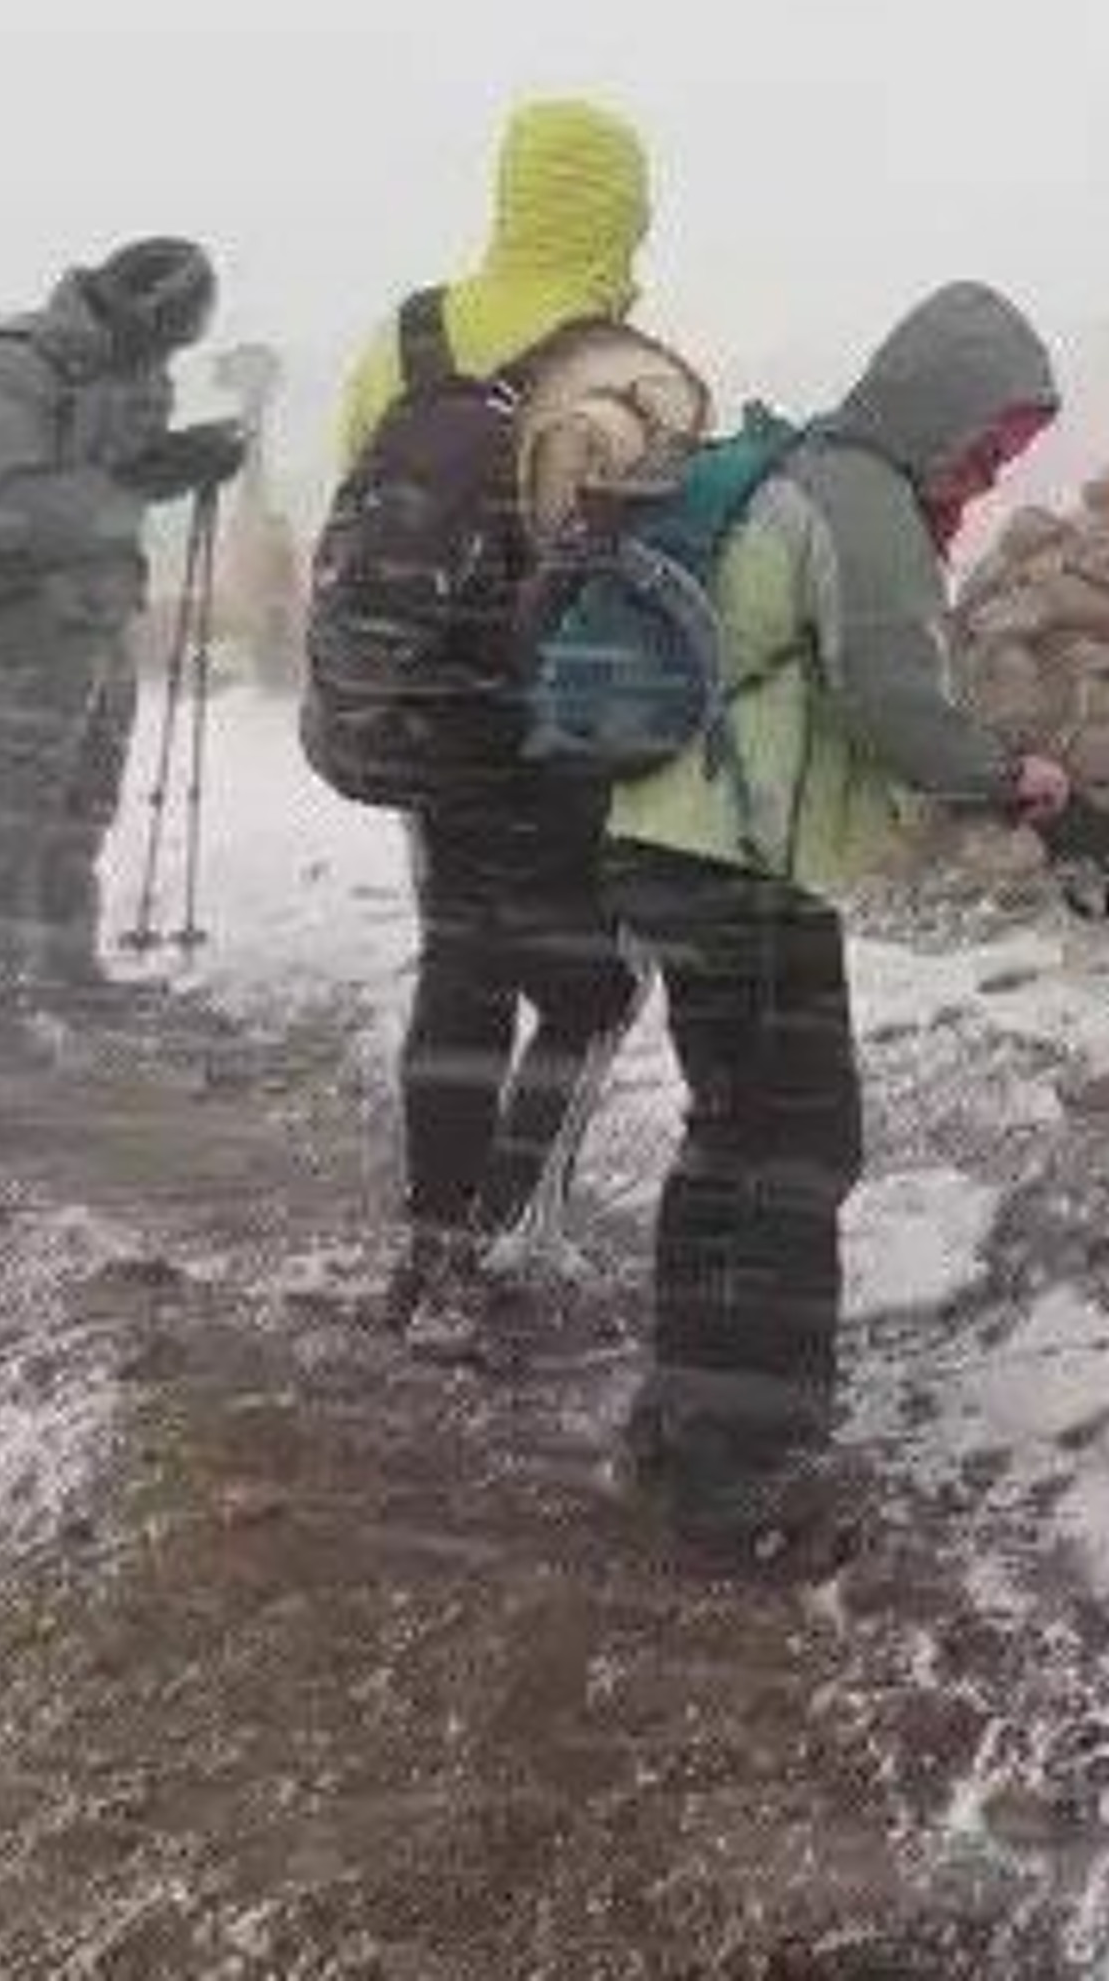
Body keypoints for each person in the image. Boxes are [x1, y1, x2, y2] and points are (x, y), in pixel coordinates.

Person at [603, 281, 1070, 1561]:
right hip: (735, 863)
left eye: (1015, 454)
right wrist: (1001, 772)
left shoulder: (810, 469)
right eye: (991, 439)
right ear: (938, 403)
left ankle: (689, 1414)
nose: (993, 466)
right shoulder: (858, 495)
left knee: (736, 1136)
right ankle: (742, 1472)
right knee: (798, 1152)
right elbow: (890, 695)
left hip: (676, 844)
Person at [338, 99, 704, 1337]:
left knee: (460, 970)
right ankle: (501, 1235)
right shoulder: (617, 362)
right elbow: (659, 565)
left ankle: (434, 1238)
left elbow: (359, 515)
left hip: (426, 720)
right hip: (553, 734)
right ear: (619, 210)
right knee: (592, 990)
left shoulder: (404, 339)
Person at [0, 238, 246, 1007]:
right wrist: (142, 476)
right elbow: (12, 510)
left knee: (87, 798)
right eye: (172, 333)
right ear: (143, 310)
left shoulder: (134, 368)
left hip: (102, 612)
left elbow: (111, 480)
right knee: (21, 801)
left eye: (183, 341)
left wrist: (181, 460)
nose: (171, 355)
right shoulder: (16, 368)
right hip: (25, 621)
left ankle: (65, 963)